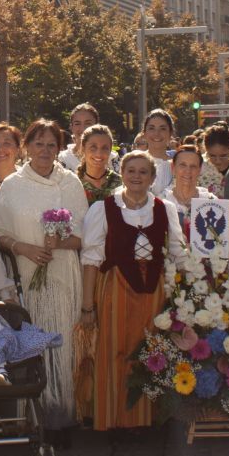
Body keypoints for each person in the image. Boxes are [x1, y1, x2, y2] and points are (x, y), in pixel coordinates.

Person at [0, 119, 91, 436]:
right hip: (28, 272)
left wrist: (58, 243)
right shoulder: (12, 185)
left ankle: (66, 411)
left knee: (62, 343)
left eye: (51, 144)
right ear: (27, 147)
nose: (45, 151)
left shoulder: (70, 183)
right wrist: (24, 248)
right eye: (39, 144)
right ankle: (35, 414)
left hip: (62, 273)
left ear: (59, 148)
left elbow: (85, 236)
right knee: (35, 344)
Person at [80, 150, 183, 430]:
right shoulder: (103, 208)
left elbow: (177, 252)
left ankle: (147, 418)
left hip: (154, 290)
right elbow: (91, 259)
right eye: (131, 170)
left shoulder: (165, 208)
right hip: (116, 287)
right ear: (122, 173)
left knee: (151, 350)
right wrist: (87, 305)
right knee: (114, 349)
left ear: (152, 177)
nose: (136, 176)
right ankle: (113, 418)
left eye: (143, 172)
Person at [164, 145, 220, 243]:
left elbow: (225, 246)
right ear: (173, 168)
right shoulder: (162, 202)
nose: (188, 171)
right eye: (183, 165)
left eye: (193, 166)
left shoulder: (211, 201)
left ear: (199, 170)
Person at [76, 124, 123, 206]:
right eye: (93, 147)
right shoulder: (74, 183)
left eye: (104, 148)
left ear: (110, 150)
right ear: (83, 148)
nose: (99, 154)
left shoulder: (120, 183)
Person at [140, 109, 177, 191]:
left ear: (170, 133)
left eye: (163, 129)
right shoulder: (135, 162)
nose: (157, 133)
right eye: (151, 128)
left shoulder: (179, 165)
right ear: (144, 133)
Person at [58, 103, 101, 172]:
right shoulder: (62, 159)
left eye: (88, 123)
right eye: (77, 123)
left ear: (97, 126)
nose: (83, 128)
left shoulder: (110, 157)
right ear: (71, 127)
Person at [199, 125, 229, 197]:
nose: (218, 161)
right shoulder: (198, 166)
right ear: (206, 149)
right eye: (212, 156)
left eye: (223, 156)